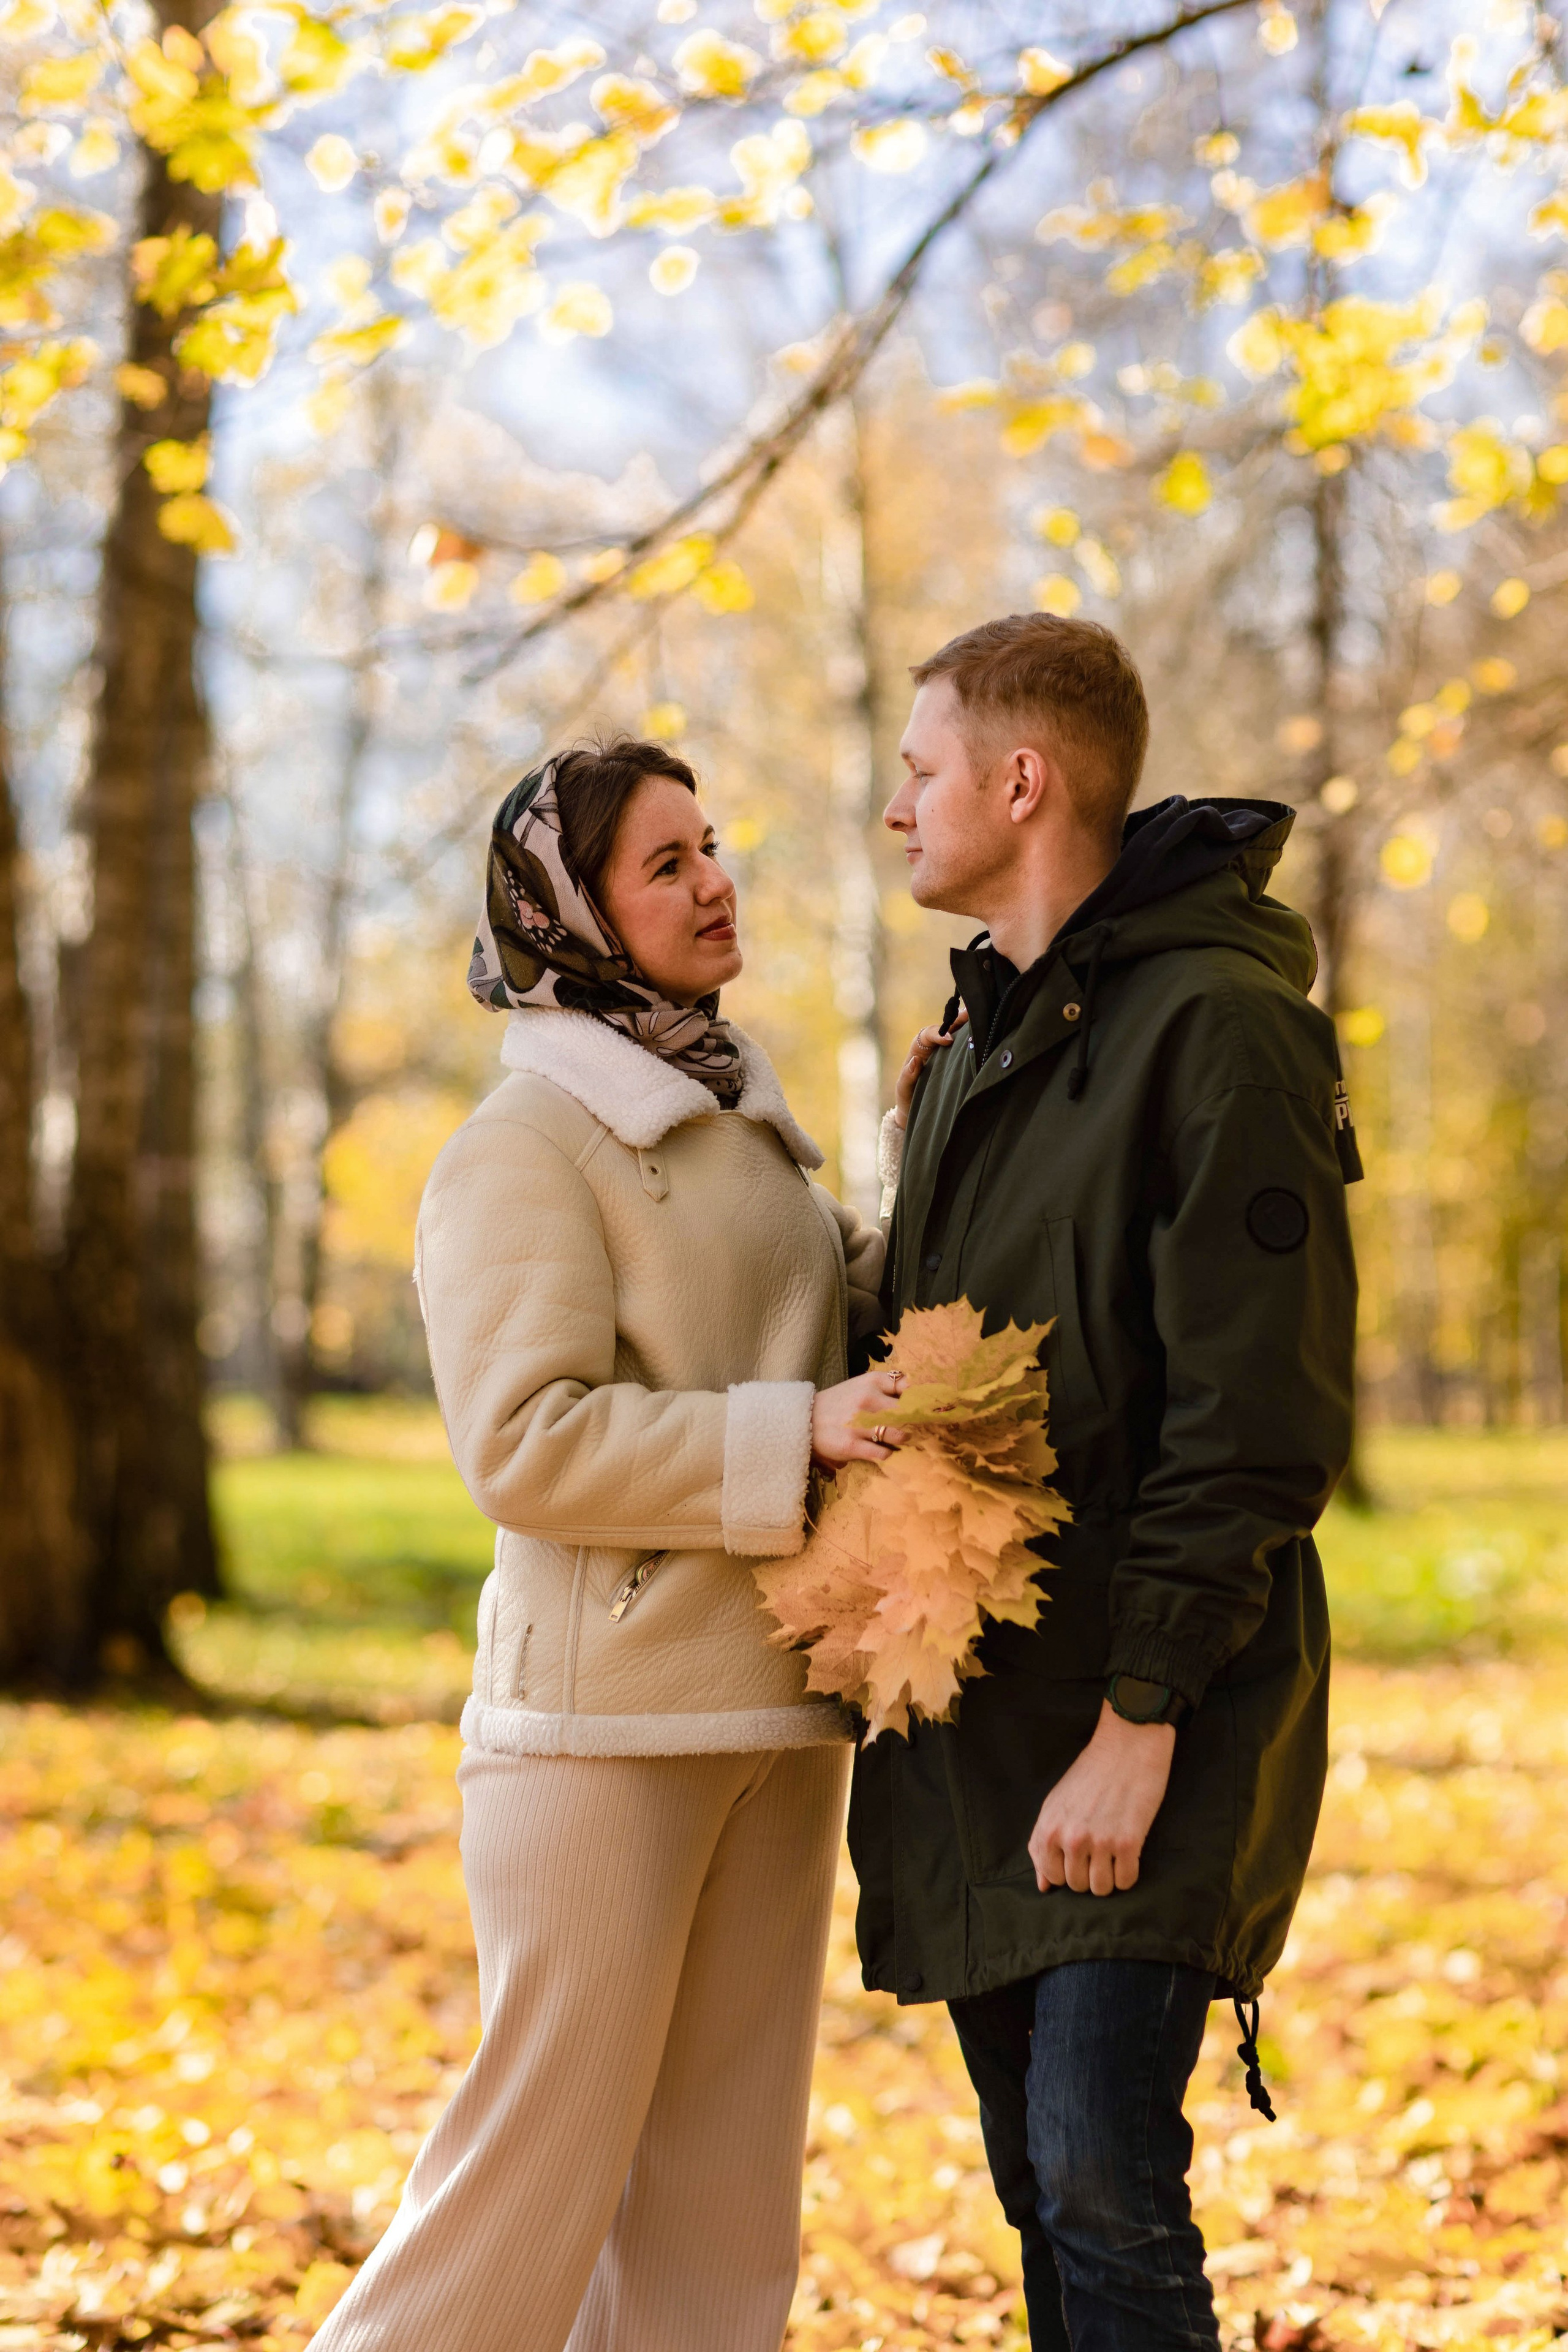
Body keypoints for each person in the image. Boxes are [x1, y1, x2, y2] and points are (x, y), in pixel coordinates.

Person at [312, 737, 907, 2352]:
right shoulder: (526, 1148)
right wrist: (797, 1432)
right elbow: (526, 1441)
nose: (715, 882)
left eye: (714, 846)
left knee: (722, 2235)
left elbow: (846, 1302)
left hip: (778, 1711)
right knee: (513, 2221)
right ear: (566, 908)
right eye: (665, 863)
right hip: (600, 1735)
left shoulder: (733, 1104)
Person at [854, 616, 1359, 2351]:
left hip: (1155, 1714)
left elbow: (1259, 1421)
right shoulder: (972, 1051)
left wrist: (1141, 1722)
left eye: (920, 770)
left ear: (1020, 778)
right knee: (1036, 2188)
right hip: (990, 1716)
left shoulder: (1223, 1032)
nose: (895, 806)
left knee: (1101, 2175)